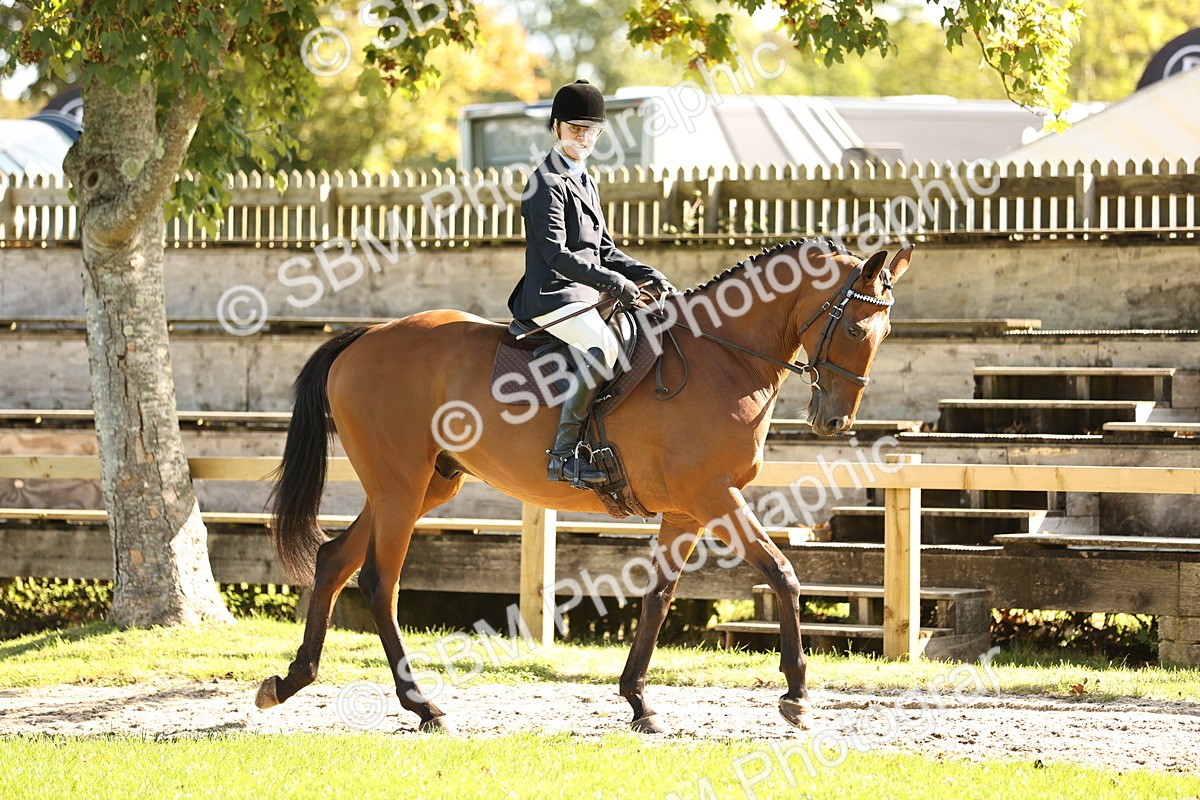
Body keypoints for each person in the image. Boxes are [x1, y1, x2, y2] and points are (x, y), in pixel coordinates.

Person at [508, 79, 676, 488]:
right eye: (574, 128)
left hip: (587, 291)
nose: (582, 137)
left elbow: (603, 249)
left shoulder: (585, 180)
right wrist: (613, 282)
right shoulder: (544, 183)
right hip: (553, 293)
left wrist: (645, 272)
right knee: (605, 350)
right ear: (556, 128)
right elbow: (557, 255)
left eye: (590, 130)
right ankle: (562, 457)